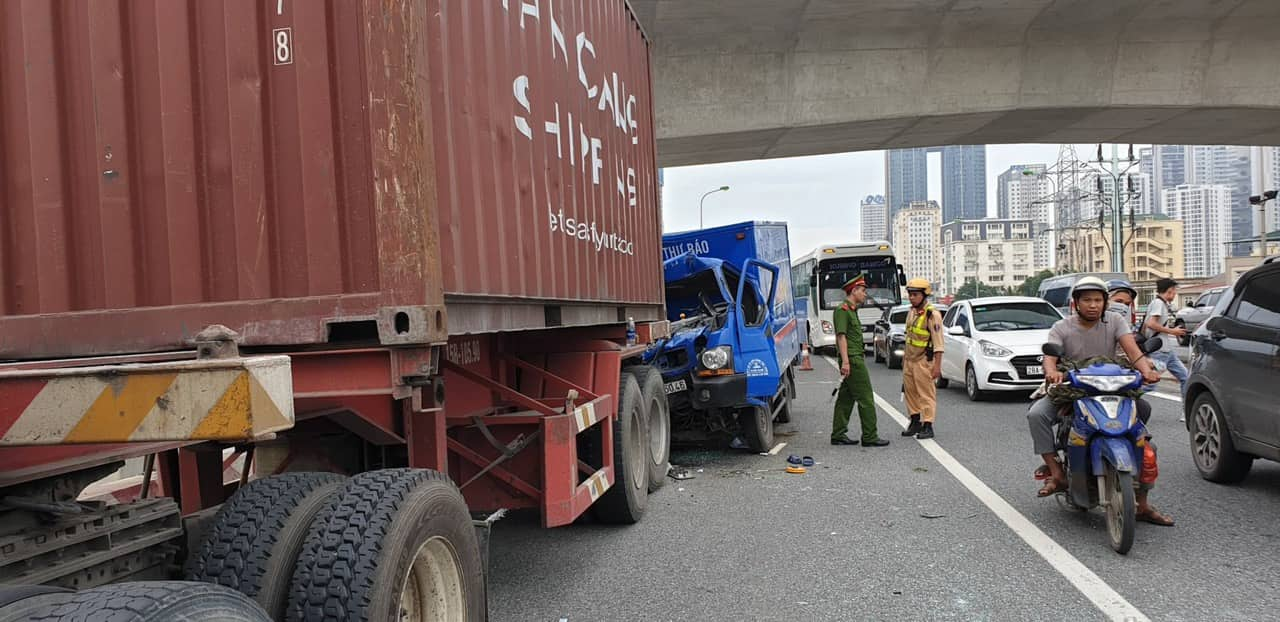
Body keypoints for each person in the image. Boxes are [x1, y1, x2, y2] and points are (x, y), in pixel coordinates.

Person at [1027, 276, 1173, 526]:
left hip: (1112, 386)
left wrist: (1146, 370)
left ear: (1105, 303)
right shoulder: (1062, 327)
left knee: (1144, 414)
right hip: (1072, 388)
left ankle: (1142, 505)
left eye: (1098, 300)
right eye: (1087, 300)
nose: (1093, 305)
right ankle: (1056, 471)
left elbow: (1133, 352)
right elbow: (1049, 356)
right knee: (1037, 414)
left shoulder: (1115, 321)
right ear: (1076, 303)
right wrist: (1052, 371)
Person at [831, 274, 890, 447]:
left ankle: (838, 434)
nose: (865, 294)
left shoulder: (851, 310)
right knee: (866, 398)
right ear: (854, 291)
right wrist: (846, 362)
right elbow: (841, 337)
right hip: (853, 360)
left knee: (846, 399)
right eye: (863, 291)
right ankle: (870, 437)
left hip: (853, 358)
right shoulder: (842, 311)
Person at [900, 278, 945, 440]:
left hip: (924, 360)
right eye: (910, 294)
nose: (911, 297)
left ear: (924, 295)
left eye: (915, 294)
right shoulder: (912, 312)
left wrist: (937, 367)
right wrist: (905, 360)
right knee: (910, 393)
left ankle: (927, 424)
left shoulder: (932, 315)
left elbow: (939, 344)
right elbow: (909, 337)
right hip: (910, 360)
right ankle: (915, 421)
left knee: (926, 394)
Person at [1142, 278, 1189, 400]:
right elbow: (1151, 323)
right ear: (1170, 291)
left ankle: (1186, 413)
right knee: (1149, 385)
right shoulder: (1158, 303)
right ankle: (1127, 400)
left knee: (1185, 377)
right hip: (1159, 352)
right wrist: (1173, 331)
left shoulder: (1160, 303)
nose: (1175, 294)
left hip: (1166, 351)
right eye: (1174, 291)